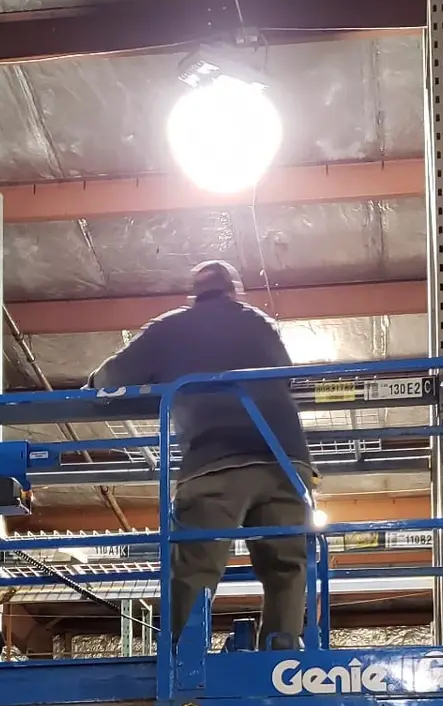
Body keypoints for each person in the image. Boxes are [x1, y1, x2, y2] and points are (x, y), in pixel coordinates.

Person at [90, 261, 314, 650]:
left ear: (195, 293)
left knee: (196, 568)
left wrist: (93, 383)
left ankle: (185, 659)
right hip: (285, 460)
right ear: (235, 290)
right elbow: (286, 375)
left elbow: (110, 380)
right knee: (286, 567)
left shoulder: (170, 327)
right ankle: (281, 656)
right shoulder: (261, 323)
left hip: (215, 462)